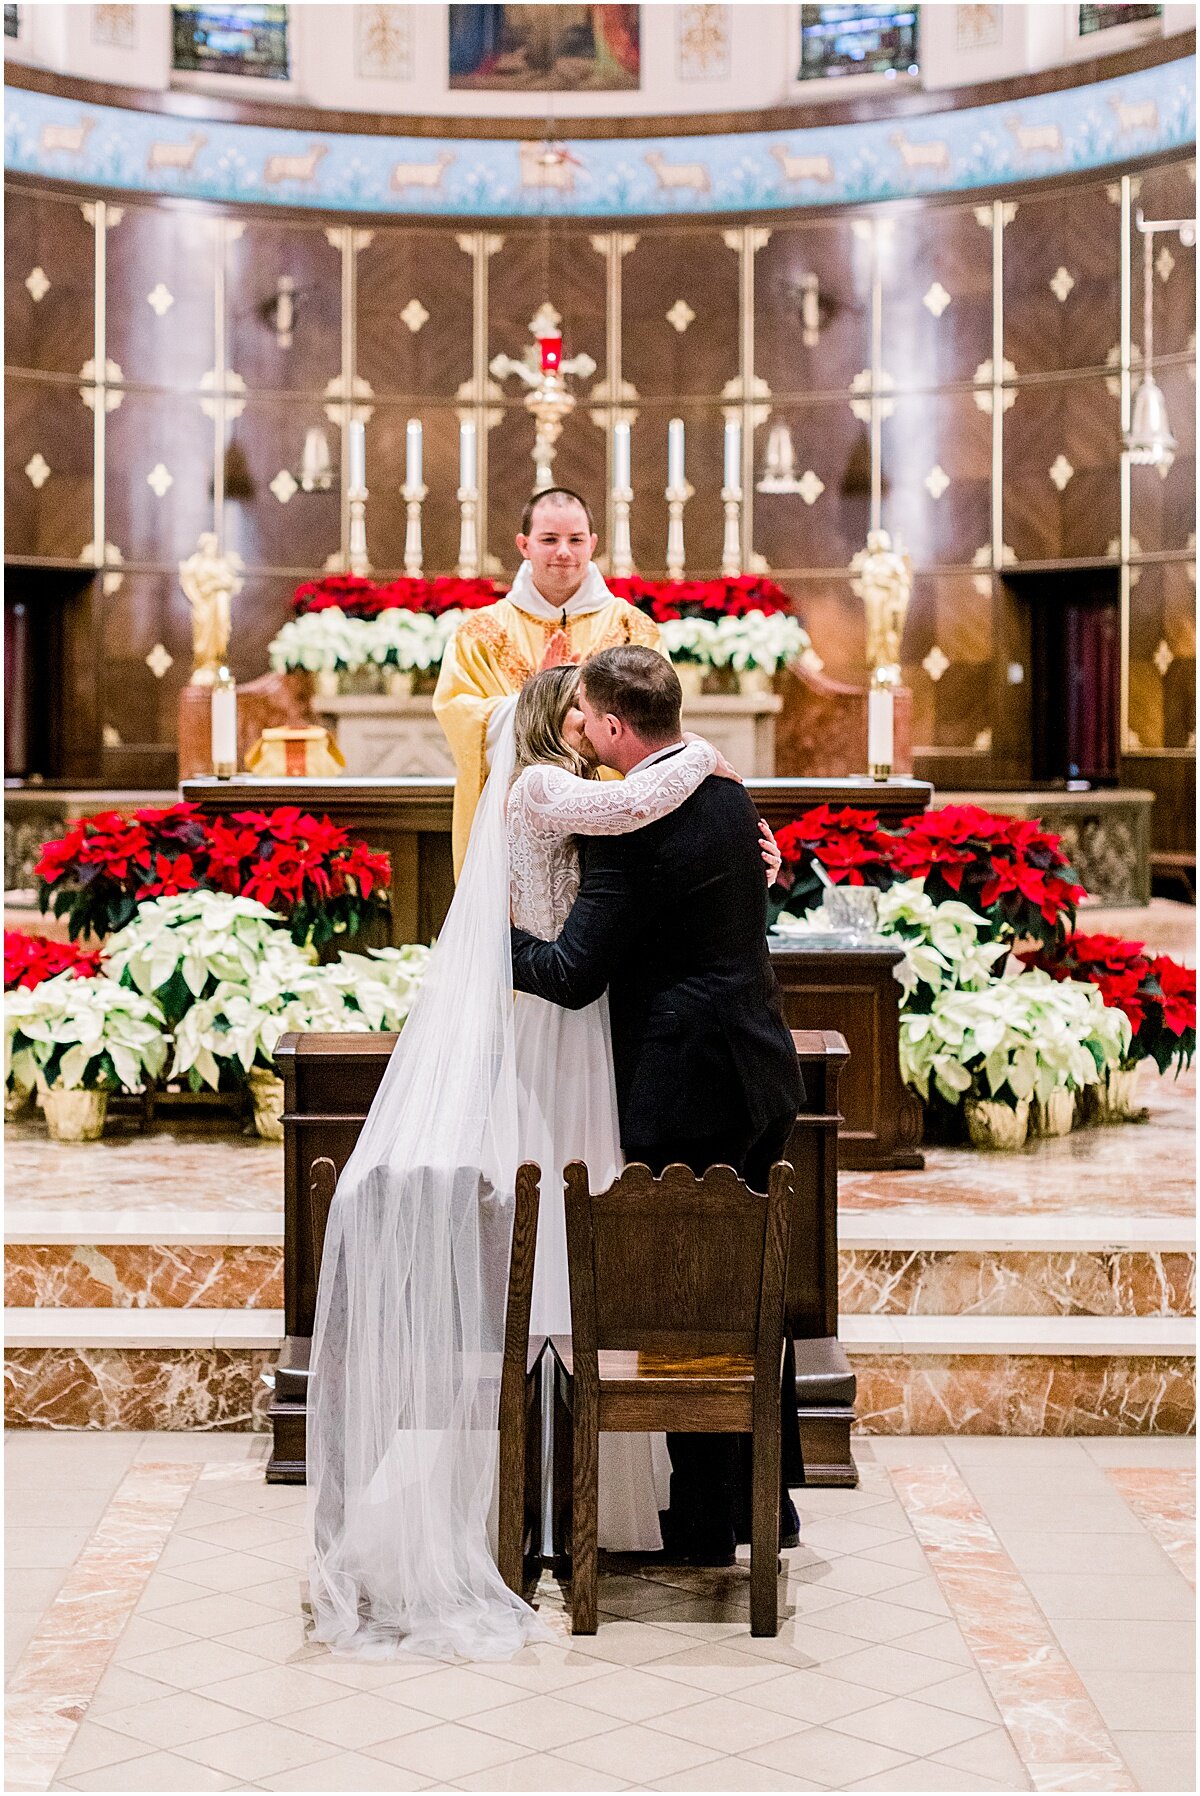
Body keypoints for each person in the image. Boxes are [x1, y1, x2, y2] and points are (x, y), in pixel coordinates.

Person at [307, 657, 779, 1658]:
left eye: (588, 708)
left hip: (609, 1050)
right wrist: (707, 765)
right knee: (574, 1257)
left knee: (628, 1269)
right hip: (578, 1040)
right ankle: (571, 1503)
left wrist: (699, 772)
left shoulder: (602, 803)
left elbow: (636, 832)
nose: (579, 720)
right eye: (569, 709)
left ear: (601, 721)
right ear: (561, 726)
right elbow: (643, 810)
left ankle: (621, 1506)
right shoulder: (546, 790)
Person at [510, 644, 806, 1566]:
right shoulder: (723, 791)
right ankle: (771, 1509)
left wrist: (481, 948)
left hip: (686, 1091)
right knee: (755, 1296)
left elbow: (568, 975)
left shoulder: (627, 833)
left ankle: (708, 1526)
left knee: (689, 1305)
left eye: (590, 723)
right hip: (761, 1067)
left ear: (608, 725)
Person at [433, 487, 665, 874]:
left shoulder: (631, 627)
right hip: (513, 823)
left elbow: (656, 720)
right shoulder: (480, 632)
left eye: (575, 540)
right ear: (524, 545)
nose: (563, 552)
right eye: (549, 539)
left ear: (592, 544)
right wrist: (540, 697)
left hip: (612, 814)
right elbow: (460, 717)